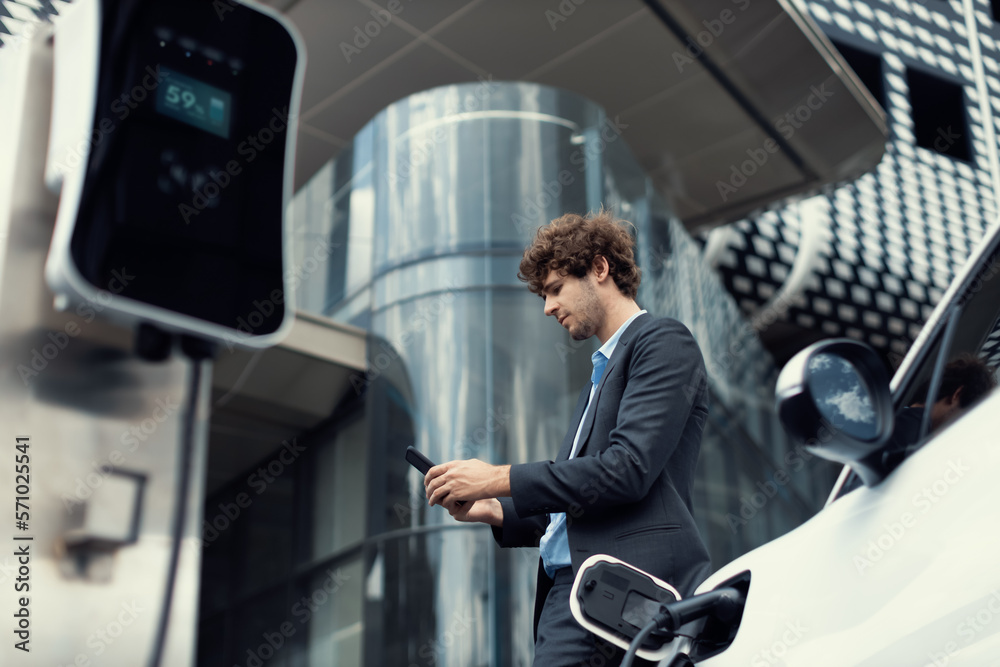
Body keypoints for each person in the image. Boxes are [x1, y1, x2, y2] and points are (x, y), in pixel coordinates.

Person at [424, 210, 712, 666]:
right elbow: (581, 502)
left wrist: (497, 478)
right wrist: (495, 510)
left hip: (622, 588)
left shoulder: (662, 341)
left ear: (600, 269)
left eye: (556, 289)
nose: (547, 307)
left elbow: (627, 470)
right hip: (583, 595)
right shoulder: (596, 383)